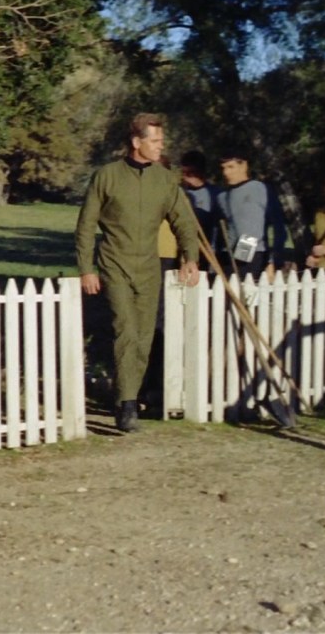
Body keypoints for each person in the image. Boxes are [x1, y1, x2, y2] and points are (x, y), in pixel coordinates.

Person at [76, 113, 200, 432]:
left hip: (149, 267)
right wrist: (87, 269)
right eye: (155, 141)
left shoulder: (165, 180)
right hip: (114, 264)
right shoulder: (107, 176)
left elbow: (184, 222)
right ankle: (127, 404)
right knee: (125, 329)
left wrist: (190, 257)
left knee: (144, 337)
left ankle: (128, 398)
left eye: (161, 141)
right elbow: (87, 225)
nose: (161, 146)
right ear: (137, 142)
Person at [216, 149, 287, 280]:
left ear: (244, 165)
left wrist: (272, 261)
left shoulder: (259, 189)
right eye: (223, 168)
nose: (226, 173)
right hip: (228, 257)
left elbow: (278, 227)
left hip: (255, 256)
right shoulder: (222, 196)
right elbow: (219, 231)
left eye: (231, 167)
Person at [179, 149, 223, 267]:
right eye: (183, 173)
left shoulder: (215, 194)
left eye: (190, 173)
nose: (185, 177)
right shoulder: (180, 193)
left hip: (207, 250)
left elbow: (218, 227)